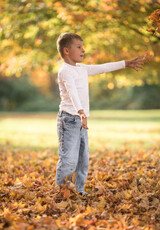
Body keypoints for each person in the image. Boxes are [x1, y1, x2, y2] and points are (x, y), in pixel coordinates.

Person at [55, 32, 144, 196]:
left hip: (81, 120)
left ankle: (79, 190)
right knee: (69, 160)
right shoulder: (65, 71)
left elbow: (104, 67)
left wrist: (125, 63)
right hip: (69, 120)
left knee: (83, 160)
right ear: (66, 51)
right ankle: (62, 192)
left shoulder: (82, 68)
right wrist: (81, 111)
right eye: (79, 47)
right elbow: (72, 92)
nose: (83, 50)